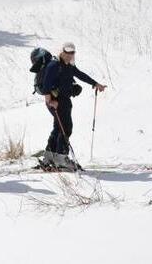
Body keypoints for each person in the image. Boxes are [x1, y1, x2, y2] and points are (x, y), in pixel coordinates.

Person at [42, 42, 106, 171]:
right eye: (67, 52)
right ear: (62, 52)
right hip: (56, 101)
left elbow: (80, 75)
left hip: (64, 101)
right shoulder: (54, 65)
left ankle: (50, 155)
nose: (69, 55)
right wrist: (50, 101)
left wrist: (95, 84)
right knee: (66, 128)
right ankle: (61, 157)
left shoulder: (69, 66)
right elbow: (46, 84)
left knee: (59, 127)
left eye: (72, 53)